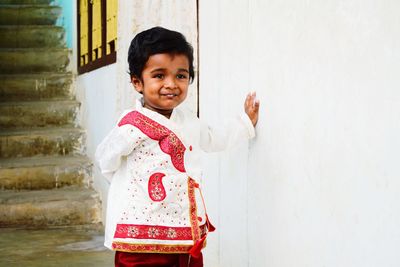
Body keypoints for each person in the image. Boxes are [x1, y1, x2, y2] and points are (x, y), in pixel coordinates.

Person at [95, 26, 260, 267]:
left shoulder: (188, 120)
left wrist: (245, 122)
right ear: (137, 82)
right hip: (140, 238)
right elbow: (105, 159)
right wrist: (128, 182)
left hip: (185, 232)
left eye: (180, 76)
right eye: (159, 75)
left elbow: (213, 138)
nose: (171, 84)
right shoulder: (132, 126)